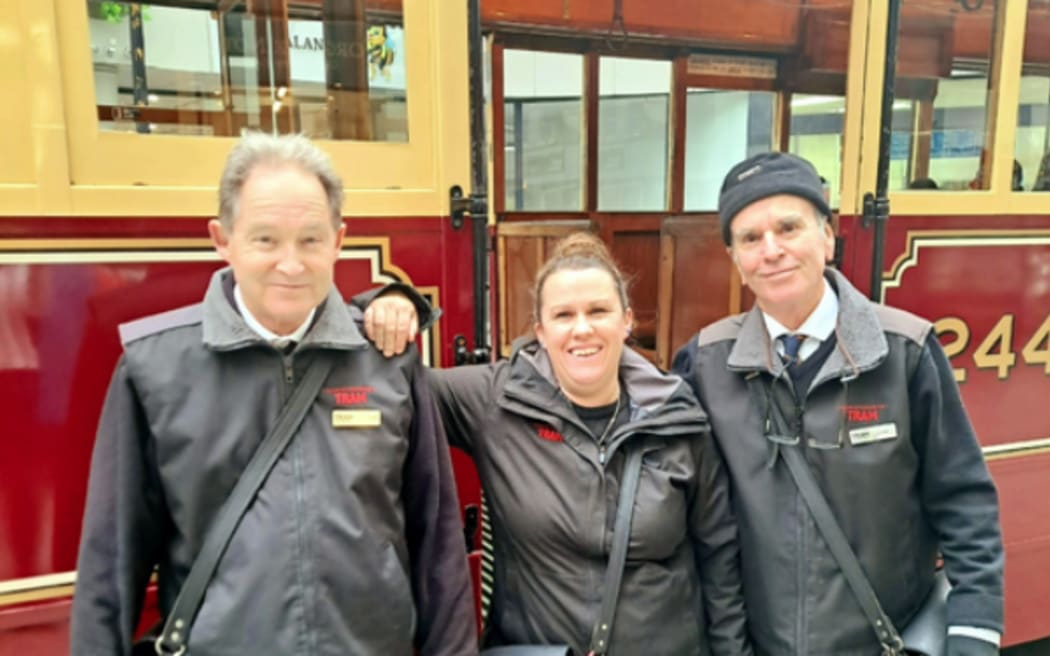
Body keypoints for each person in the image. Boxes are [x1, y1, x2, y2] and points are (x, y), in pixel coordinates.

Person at [70, 134, 476, 656]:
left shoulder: (388, 362)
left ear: (338, 240)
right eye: (266, 240)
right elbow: (111, 565)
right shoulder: (154, 369)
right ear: (223, 239)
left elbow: (436, 544)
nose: (291, 264)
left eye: (310, 240)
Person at [671, 151, 1004, 655]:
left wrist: (974, 635)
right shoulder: (704, 365)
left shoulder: (904, 352)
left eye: (788, 228)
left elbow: (964, 501)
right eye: (750, 239)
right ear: (735, 261)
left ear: (827, 236)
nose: (772, 250)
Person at [363, 233, 751, 655]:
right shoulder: (495, 400)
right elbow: (394, 390)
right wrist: (391, 302)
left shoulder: (679, 417)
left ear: (626, 321)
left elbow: (719, 560)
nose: (582, 329)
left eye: (598, 311)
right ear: (540, 332)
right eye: (563, 315)